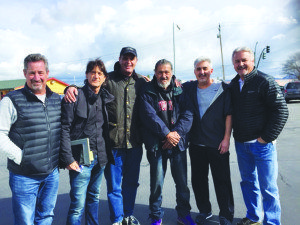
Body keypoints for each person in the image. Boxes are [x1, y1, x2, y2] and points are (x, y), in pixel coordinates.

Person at [64, 47, 147, 225]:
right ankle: (117, 219)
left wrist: (175, 82)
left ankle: (127, 215)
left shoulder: (141, 82)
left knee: (131, 184)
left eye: (132, 58)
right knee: (114, 187)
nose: (128, 62)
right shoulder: (108, 79)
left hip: (134, 142)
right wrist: (70, 87)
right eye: (125, 58)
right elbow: (87, 86)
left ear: (136, 61)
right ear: (120, 59)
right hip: (113, 143)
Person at [230, 47, 289, 225]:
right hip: (241, 145)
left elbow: (281, 111)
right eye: (237, 61)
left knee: (268, 187)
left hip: (263, 146)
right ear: (233, 64)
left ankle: (271, 221)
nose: (241, 64)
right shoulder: (234, 84)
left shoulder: (265, 81)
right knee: (248, 183)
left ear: (253, 61)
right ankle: (253, 216)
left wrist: (265, 138)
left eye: (244, 60)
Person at [0, 53, 61, 224]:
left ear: (47, 74)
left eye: (40, 73)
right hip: (24, 176)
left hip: (51, 173)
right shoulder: (11, 100)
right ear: (25, 73)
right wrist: (21, 157)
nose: (36, 77)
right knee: (25, 221)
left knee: (46, 216)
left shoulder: (56, 99)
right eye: (32, 73)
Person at [138, 59, 195, 225]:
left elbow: (188, 114)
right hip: (157, 145)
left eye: (166, 72)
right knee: (157, 185)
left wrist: (175, 134)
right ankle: (156, 216)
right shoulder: (146, 90)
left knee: (182, 184)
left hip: (178, 144)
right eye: (160, 72)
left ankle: (183, 214)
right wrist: (166, 134)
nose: (164, 75)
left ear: (171, 72)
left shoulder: (180, 89)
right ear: (155, 73)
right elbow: (149, 116)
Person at [60, 59, 114, 224]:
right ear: (86, 75)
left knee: (93, 198)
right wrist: (68, 158)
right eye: (92, 72)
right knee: (77, 204)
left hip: (100, 158)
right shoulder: (75, 97)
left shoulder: (105, 97)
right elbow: (64, 128)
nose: (96, 76)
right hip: (80, 159)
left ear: (104, 77)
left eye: (99, 73)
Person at [182, 57, 234, 225]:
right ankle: (205, 211)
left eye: (205, 68)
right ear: (195, 72)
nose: (202, 72)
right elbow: (170, 82)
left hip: (217, 144)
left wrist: (226, 138)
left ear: (211, 70)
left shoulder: (222, 89)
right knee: (198, 181)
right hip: (196, 144)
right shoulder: (188, 88)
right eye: (198, 69)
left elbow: (229, 115)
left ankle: (226, 214)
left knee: (222, 181)